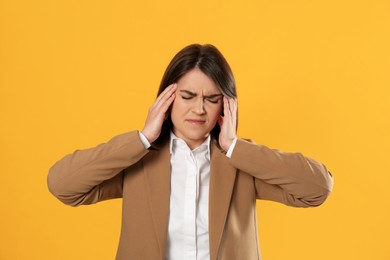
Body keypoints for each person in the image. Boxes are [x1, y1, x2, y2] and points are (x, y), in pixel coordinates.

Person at [48, 44, 334, 260]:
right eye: (187, 96)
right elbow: (62, 185)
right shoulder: (137, 160)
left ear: (226, 105)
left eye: (211, 99)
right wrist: (142, 139)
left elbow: (317, 188)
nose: (199, 109)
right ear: (166, 98)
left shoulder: (241, 163)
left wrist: (235, 146)